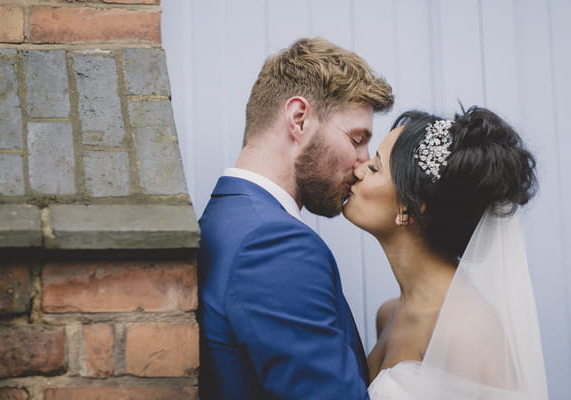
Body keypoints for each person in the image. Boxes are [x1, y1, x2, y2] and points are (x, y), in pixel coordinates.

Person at [198, 37, 393, 399]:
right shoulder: (274, 244)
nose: (364, 160)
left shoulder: (228, 218)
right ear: (299, 119)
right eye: (356, 138)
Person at [343, 106, 548, 399]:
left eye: (375, 167)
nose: (358, 170)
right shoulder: (388, 314)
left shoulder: (468, 330)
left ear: (410, 207)